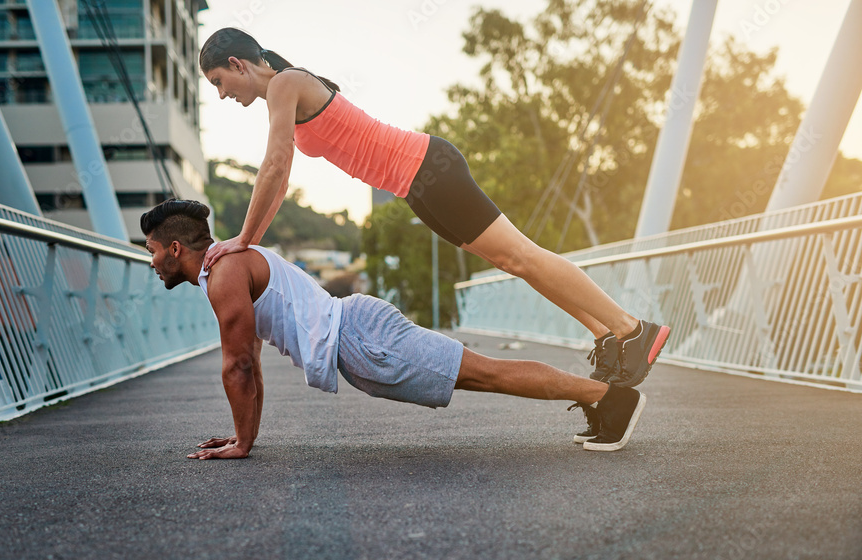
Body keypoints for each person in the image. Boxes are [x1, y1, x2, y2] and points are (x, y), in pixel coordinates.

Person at [197, 27, 671, 392]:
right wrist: (249, 241)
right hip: (418, 188)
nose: (221, 94)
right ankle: (606, 335)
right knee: (515, 263)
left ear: (237, 64)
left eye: (219, 81)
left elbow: (275, 168)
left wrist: (241, 241)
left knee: (522, 256)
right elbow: (278, 185)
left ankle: (633, 329)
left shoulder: (285, 84)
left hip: (430, 168)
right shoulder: (284, 91)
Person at [141, 199, 646, 460]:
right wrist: (241, 435)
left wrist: (243, 445)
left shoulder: (224, 273)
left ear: (176, 249)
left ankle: (610, 398)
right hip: (359, 337)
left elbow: (240, 364)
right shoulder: (229, 266)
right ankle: (604, 400)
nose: (154, 264)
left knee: (484, 373)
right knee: (478, 374)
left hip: (363, 339)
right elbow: (248, 357)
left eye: (153, 253)